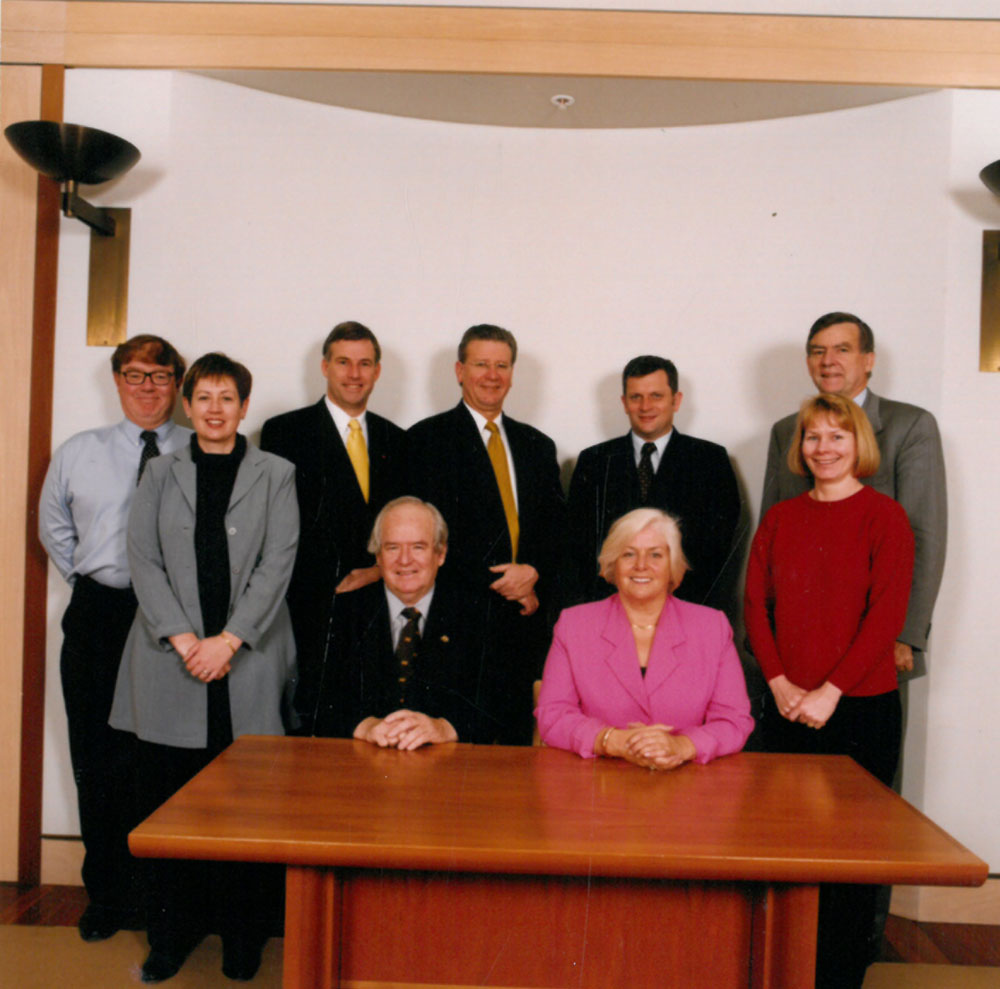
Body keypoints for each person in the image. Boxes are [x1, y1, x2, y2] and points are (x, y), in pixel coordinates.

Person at [110, 353, 298, 983]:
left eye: (228, 398)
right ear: (187, 407)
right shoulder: (159, 473)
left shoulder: (277, 473)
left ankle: (241, 940)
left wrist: (229, 640)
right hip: (170, 663)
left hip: (246, 663)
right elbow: (142, 558)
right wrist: (188, 639)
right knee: (169, 812)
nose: (215, 410)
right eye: (204, 398)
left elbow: (278, 564)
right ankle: (168, 939)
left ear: (245, 407)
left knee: (247, 814)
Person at [745, 393, 914, 989]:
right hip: (788, 704)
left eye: (836, 436)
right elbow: (755, 608)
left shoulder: (884, 516)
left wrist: (830, 692)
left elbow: (886, 617)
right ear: (801, 448)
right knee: (786, 848)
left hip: (861, 710)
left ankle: (840, 977)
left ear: (858, 444)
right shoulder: (782, 518)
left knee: (851, 859)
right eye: (813, 437)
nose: (824, 448)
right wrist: (780, 683)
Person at [38, 334, 189, 942]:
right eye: (134, 375)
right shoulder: (79, 452)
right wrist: (94, 577)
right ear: (116, 380)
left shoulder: (205, 445)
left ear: (177, 382)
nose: (147, 388)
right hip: (101, 612)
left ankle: (165, 901)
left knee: (164, 759)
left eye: (159, 376)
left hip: (174, 620)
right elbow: (53, 528)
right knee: (97, 757)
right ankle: (107, 894)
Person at [760, 311, 945, 679]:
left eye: (842, 349)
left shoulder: (910, 426)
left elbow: (924, 537)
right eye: (817, 351)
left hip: (875, 639)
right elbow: (769, 541)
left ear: (868, 360)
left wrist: (904, 634)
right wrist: (766, 637)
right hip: (796, 641)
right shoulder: (787, 430)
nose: (828, 361)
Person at [408, 324, 566, 745]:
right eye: (481, 364)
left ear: (512, 373)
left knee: (515, 753)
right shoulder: (426, 440)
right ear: (460, 370)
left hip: (523, 624)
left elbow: (555, 530)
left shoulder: (538, 445)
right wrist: (505, 584)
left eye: (501, 365)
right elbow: (425, 538)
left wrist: (532, 574)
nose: (491, 375)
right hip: (457, 621)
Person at [260, 321, 407, 731]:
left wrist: (379, 570)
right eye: (344, 362)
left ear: (377, 371)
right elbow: (277, 529)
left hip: (381, 608)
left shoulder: (398, 440)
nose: (354, 374)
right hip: (310, 609)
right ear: (325, 367)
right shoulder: (284, 433)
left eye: (364, 364)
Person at [535, 508, 752, 767]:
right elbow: (553, 715)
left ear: (673, 565)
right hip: (597, 783)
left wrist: (681, 746)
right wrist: (615, 741)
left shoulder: (711, 626)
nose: (641, 565)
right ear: (612, 564)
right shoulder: (574, 625)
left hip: (687, 783)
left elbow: (734, 720)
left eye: (655, 555)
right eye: (628, 554)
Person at [314, 497, 502, 745]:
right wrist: (365, 726)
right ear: (378, 556)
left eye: (418, 547)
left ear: (441, 553)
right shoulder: (342, 613)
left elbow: (501, 703)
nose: (404, 560)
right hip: (362, 766)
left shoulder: (479, 615)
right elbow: (313, 699)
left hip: (450, 769)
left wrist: (445, 728)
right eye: (392, 547)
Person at [567, 355, 740, 609]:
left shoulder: (710, 460)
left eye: (656, 396)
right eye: (636, 397)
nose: (645, 406)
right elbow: (580, 546)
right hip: (610, 608)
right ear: (624, 403)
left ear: (676, 400)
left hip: (685, 606)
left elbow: (717, 547)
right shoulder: (594, 461)